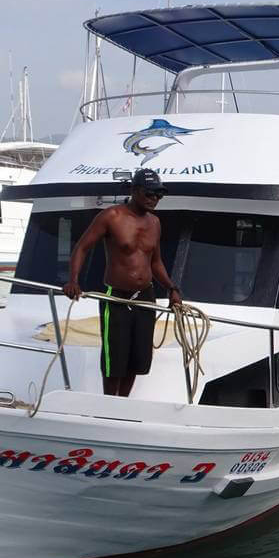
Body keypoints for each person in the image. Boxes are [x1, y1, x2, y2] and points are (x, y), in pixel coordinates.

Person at [63, 169, 181, 397]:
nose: (154, 199)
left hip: (145, 297)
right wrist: (73, 281)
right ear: (134, 190)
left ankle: (123, 403)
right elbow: (82, 248)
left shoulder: (155, 222)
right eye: (149, 193)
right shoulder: (111, 216)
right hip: (116, 296)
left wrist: (172, 288)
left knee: (137, 358)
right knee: (114, 359)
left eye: (159, 195)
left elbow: (156, 261)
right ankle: (109, 403)